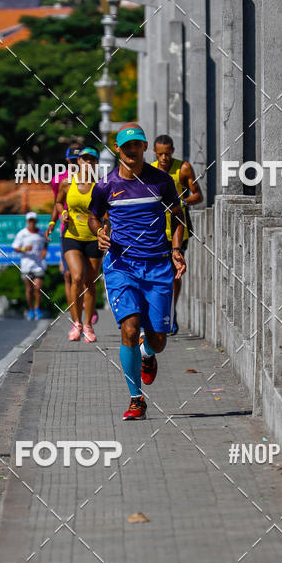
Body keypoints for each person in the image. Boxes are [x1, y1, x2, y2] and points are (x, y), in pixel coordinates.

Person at [88, 123, 186, 420]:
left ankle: (148, 354)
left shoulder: (162, 181)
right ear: (118, 149)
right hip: (121, 266)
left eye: (137, 145)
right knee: (129, 328)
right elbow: (93, 217)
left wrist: (177, 249)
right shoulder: (106, 185)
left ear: (145, 148)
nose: (132, 151)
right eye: (126, 146)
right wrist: (99, 234)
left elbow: (179, 217)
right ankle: (136, 399)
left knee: (158, 339)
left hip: (157, 266)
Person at [46, 147, 103, 342]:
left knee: (90, 282)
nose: (88, 162)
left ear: (96, 163)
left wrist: (107, 230)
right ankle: (76, 323)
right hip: (72, 235)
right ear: (78, 161)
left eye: (92, 159)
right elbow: (58, 202)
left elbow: (108, 211)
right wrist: (61, 214)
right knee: (76, 276)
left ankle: (88, 325)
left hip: (94, 237)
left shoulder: (101, 185)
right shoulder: (66, 183)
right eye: (84, 159)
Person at [151, 134, 202, 334]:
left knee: (174, 273)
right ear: (155, 153)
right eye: (160, 154)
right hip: (157, 229)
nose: (164, 158)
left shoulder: (184, 169)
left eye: (168, 153)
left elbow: (198, 195)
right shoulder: (151, 171)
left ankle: (171, 313)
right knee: (158, 274)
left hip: (179, 228)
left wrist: (183, 202)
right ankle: (159, 313)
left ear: (173, 150)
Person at [48, 144, 82, 312]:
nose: (75, 163)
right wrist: (53, 222)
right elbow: (57, 202)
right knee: (69, 274)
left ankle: (88, 307)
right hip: (67, 230)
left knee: (86, 276)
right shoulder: (58, 180)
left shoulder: (93, 178)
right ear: (67, 160)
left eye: (79, 160)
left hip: (88, 230)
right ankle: (74, 314)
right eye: (73, 160)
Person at [12, 212, 49, 320]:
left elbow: (46, 242)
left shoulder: (41, 233)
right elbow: (15, 247)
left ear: (36, 221)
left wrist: (44, 250)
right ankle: (30, 309)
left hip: (38, 265)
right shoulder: (22, 234)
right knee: (29, 289)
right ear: (27, 222)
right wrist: (24, 249)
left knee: (37, 287)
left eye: (33, 220)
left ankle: (37, 308)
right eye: (30, 221)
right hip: (26, 265)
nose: (32, 223)